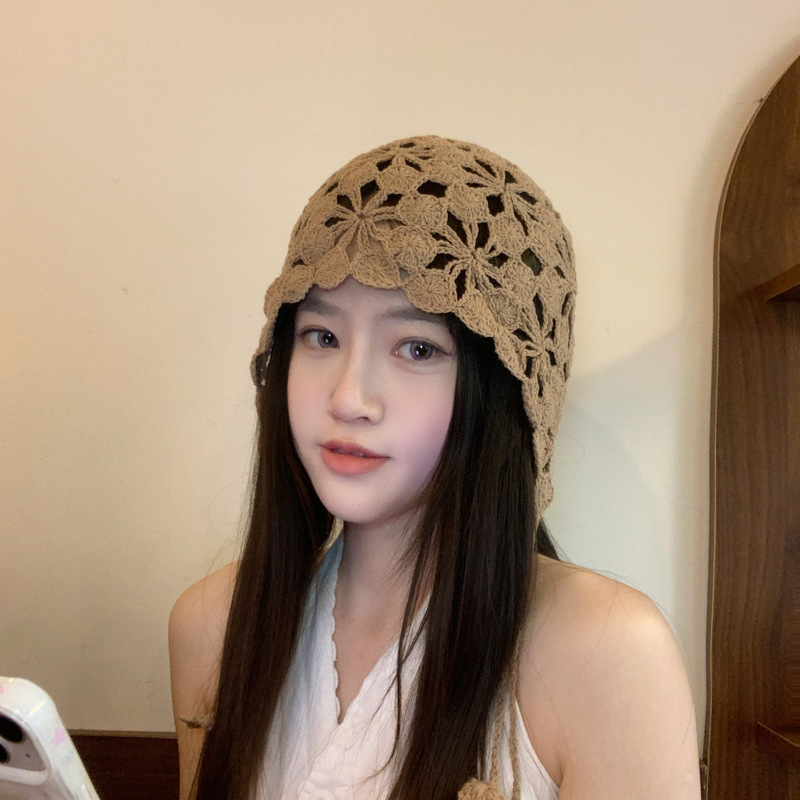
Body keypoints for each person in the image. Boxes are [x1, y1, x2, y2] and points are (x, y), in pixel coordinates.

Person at [168, 136, 701, 800]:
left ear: (506, 391)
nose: (348, 399)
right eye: (322, 336)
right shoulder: (213, 624)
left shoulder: (606, 652)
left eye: (417, 348)